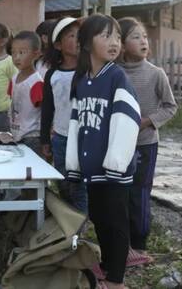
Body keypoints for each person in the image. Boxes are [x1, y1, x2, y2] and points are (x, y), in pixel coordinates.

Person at [66, 14, 140, 289]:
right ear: (86, 43)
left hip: (113, 169)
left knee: (116, 222)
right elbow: (75, 124)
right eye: (106, 36)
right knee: (99, 218)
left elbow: (127, 120)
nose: (114, 43)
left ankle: (116, 279)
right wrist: (74, 163)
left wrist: (116, 162)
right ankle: (107, 264)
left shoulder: (117, 77)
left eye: (118, 37)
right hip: (92, 168)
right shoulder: (83, 81)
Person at [118, 17, 177, 267]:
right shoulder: (115, 73)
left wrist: (147, 121)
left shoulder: (156, 74)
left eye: (145, 36)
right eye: (136, 36)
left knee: (139, 193)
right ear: (120, 44)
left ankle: (139, 244)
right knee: (119, 193)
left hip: (145, 143)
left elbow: (170, 107)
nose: (143, 41)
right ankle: (121, 242)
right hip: (118, 144)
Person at [39, 17, 88, 213]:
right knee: (62, 180)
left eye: (80, 35)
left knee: (80, 185)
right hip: (60, 138)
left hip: (84, 138)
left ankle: (81, 222)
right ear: (58, 44)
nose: (78, 39)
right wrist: (45, 139)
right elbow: (47, 108)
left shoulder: (89, 71)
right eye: (71, 35)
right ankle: (69, 217)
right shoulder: (52, 75)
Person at [7, 31, 44, 157]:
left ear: (36, 54)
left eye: (22, 53)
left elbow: (44, 112)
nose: (16, 57)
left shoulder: (36, 82)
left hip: (31, 138)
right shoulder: (14, 78)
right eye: (13, 52)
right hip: (16, 134)